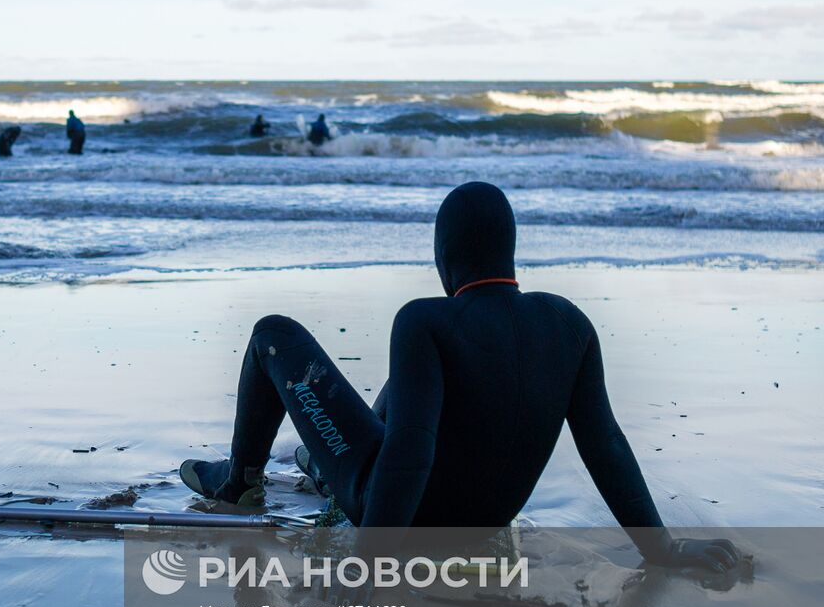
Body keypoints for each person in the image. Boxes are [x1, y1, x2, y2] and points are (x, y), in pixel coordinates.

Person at [179, 181, 740, 573]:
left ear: (444, 257)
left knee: (271, 332)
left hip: (399, 514)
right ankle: (323, 472)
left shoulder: (425, 319)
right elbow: (606, 446)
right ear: (509, 250)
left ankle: (239, 482)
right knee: (414, 384)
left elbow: (411, 451)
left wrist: (370, 565)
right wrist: (661, 549)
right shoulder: (570, 325)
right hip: (484, 520)